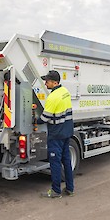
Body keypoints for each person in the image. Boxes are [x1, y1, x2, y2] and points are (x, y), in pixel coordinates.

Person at [38, 70, 75, 198]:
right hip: (67, 131)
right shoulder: (65, 92)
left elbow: (45, 118)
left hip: (56, 134)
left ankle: (56, 191)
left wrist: (34, 120)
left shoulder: (52, 97)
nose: (45, 83)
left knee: (55, 163)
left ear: (55, 82)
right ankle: (70, 188)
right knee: (66, 161)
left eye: (47, 81)